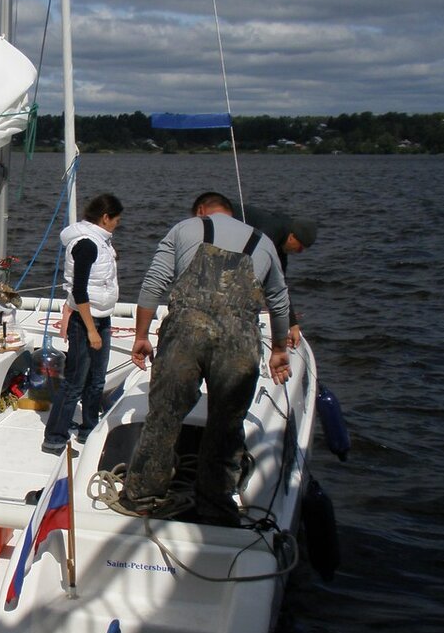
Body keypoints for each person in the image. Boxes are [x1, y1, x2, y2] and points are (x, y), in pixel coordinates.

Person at [118, 191, 291, 524]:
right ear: (231, 213)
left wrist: (141, 336)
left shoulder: (184, 229)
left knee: (165, 415)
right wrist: (280, 349)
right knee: (226, 424)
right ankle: (214, 504)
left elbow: (154, 283)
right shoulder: (265, 242)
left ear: (200, 211)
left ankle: (142, 496)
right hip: (239, 341)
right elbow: (280, 304)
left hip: (185, 333)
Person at [41, 193, 124, 454]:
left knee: (97, 379)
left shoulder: (101, 243)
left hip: (102, 317)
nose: (117, 225)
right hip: (86, 321)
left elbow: (100, 275)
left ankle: (89, 429)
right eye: (116, 220)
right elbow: (79, 289)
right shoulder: (87, 244)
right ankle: (54, 438)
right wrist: (91, 330)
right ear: (105, 217)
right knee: (75, 382)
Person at [223, 201, 316, 347]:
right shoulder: (271, 233)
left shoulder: (280, 247)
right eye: (299, 249)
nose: (298, 253)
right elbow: (247, 265)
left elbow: (280, 287)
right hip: (223, 223)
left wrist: (293, 325)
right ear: (292, 237)